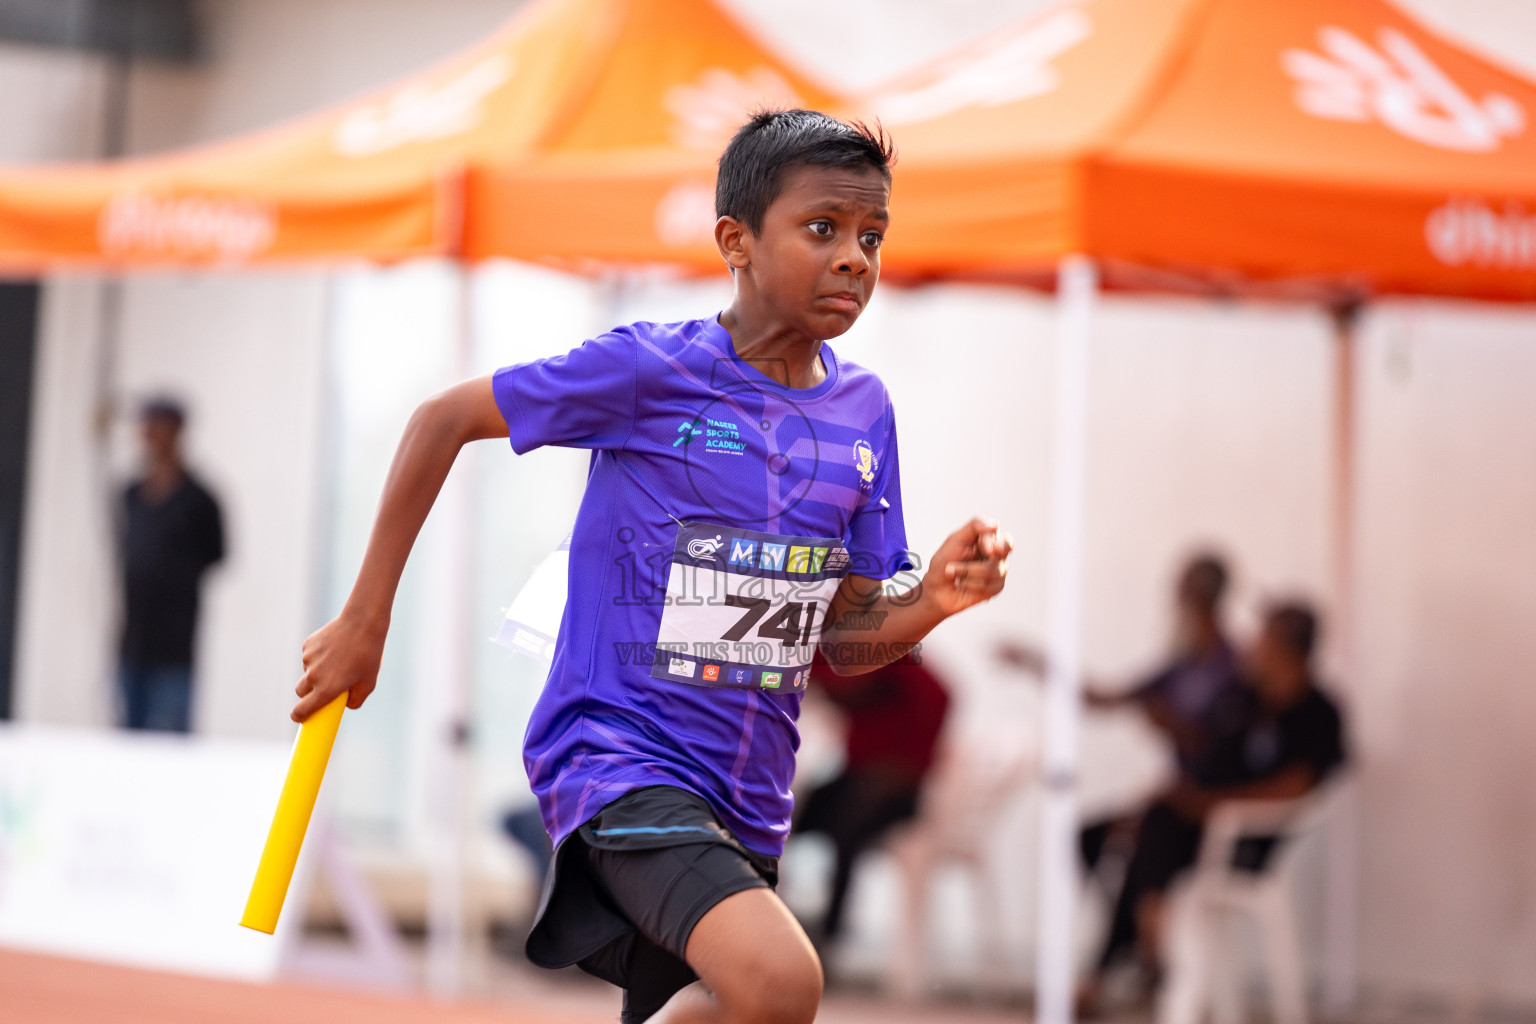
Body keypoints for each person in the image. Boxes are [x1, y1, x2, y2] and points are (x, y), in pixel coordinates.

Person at [289, 109, 1013, 1024]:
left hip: (750, 795)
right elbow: (444, 418)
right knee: (783, 980)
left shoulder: (866, 414)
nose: (854, 258)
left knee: (749, 1004)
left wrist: (932, 603)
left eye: (872, 236)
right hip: (619, 756)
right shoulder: (650, 371)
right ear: (735, 241)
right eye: (823, 228)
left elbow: (845, 639)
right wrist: (365, 617)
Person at [1081, 601, 1348, 1013]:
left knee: (1151, 836)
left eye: (1263, 636)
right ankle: (1147, 935)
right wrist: (1177, 761)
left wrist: (1209, 804)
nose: (1253, 644)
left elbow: (1296, 786)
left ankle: (1147, 946)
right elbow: (1206, 753)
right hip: (1196, 821)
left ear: (1286, 648)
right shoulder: (1243, 698)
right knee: (1104, 833)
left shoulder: (1320, 714)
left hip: (1242, 839)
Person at [796, 650, 949, 947]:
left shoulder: (885, 651)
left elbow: (941, 695)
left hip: (898, 784)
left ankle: (829, 933)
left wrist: (910, 764)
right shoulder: (818, 652)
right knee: (785, 817)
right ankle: (773, 917)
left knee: (847, 828)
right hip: (856, 775)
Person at [116, 396, 225, 732]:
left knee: (168, 745)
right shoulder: (131, 494)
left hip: (174, 649)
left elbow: (217, 554)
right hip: (132, 642)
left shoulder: (200, 498)